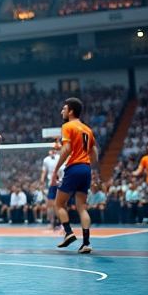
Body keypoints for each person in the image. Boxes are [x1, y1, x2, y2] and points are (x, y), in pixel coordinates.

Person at [50, 97, 100, 253]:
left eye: (64, 109)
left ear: (71, 111)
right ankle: (86, 243)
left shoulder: (68, 126)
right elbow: (95, 154)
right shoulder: (88, 130)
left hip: (74, 167)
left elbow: (66, 149)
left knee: (58, 204)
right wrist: (88, 166)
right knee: (82, 208)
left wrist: (56, 169)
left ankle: (68, 232)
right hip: (86, 168)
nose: (62, 111)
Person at [40, 144, 62, 230]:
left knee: (59, 204)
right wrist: (42, 181)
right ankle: (52, 222)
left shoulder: (59, 158)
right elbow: (44, 171)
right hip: (51, 184)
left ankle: (61, 222)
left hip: (59, 183)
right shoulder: (46, 160)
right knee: (50, 204)